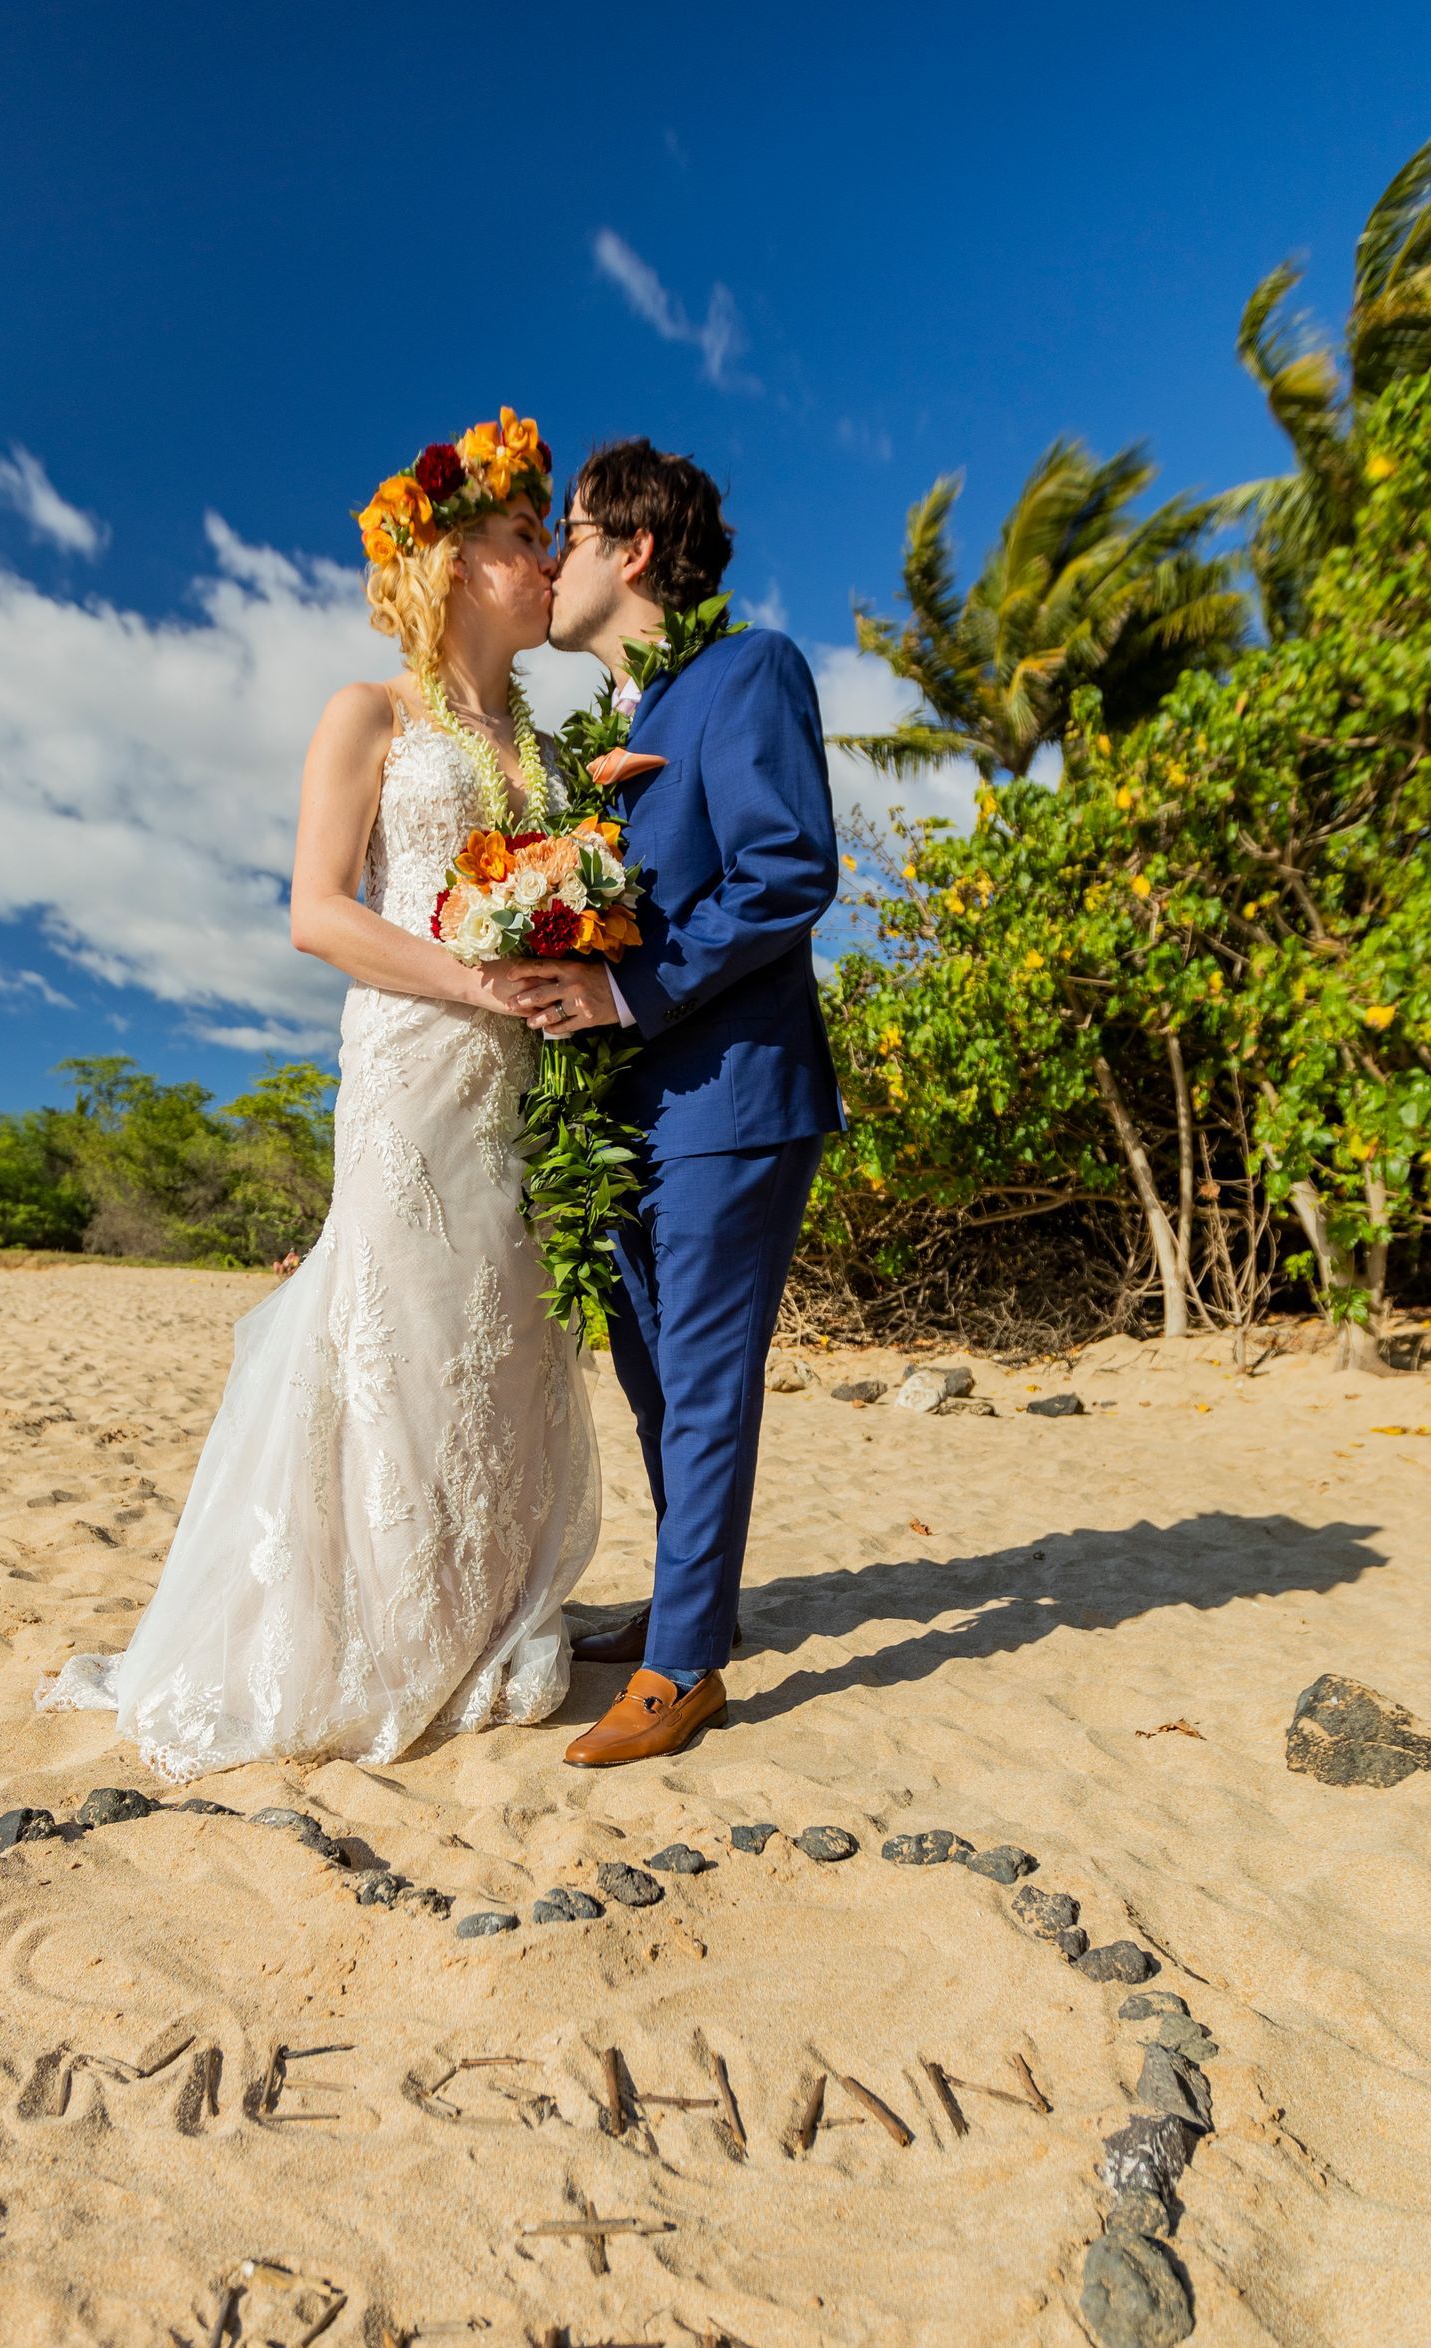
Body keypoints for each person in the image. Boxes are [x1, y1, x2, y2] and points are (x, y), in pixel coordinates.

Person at [39, 410, 599, 1776]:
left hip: (528, 1079)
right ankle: (385, 1632)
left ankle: (476, 1610)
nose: (550, 562)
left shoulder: (546, 742)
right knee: (401, 1335)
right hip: (417, 1068)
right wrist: (474, 985)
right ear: (458, 560)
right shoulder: (371, 715)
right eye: (530, 539)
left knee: (507, 1340)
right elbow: (314, 914)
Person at [514, 439, 843, 1767]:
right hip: (631, 1113)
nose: (548, 560)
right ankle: (686, 1604)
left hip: (734, 1095)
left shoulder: (748, 671)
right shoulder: (622, 735)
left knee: (703, 1384)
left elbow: (786, 868)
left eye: (570, 533)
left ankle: (687, 1664)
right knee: (655, 1381)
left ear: (635, 550)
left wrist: (628, 998)